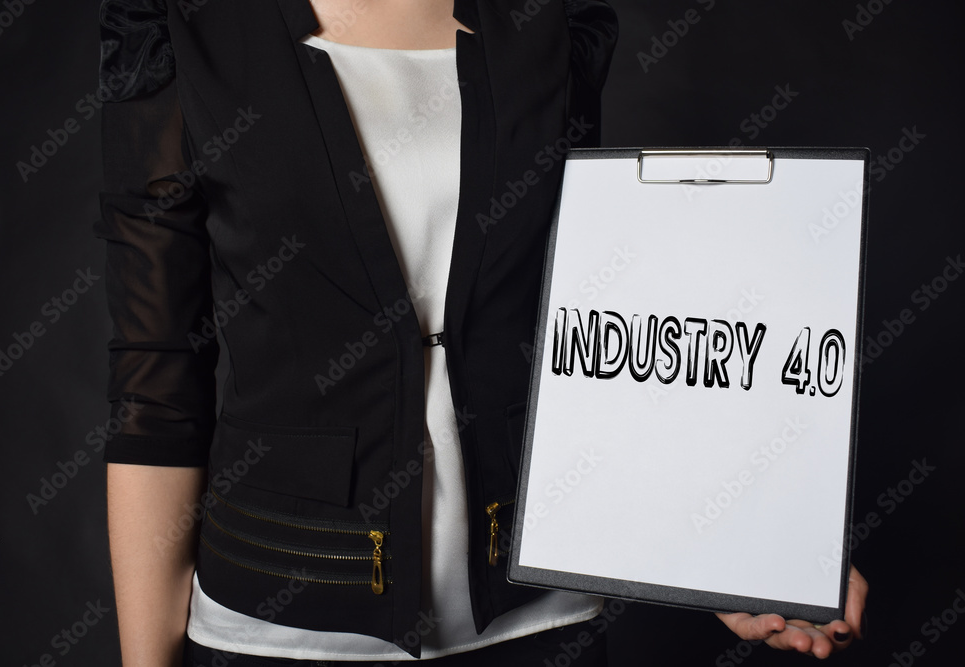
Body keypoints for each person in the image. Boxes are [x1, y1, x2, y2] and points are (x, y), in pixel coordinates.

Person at [93, 1, 866, 665]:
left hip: (544, 620)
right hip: (283, 626)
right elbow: (157, 389)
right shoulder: (185, 27)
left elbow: (594, 335)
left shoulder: (548, 20)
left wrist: (724, 547)